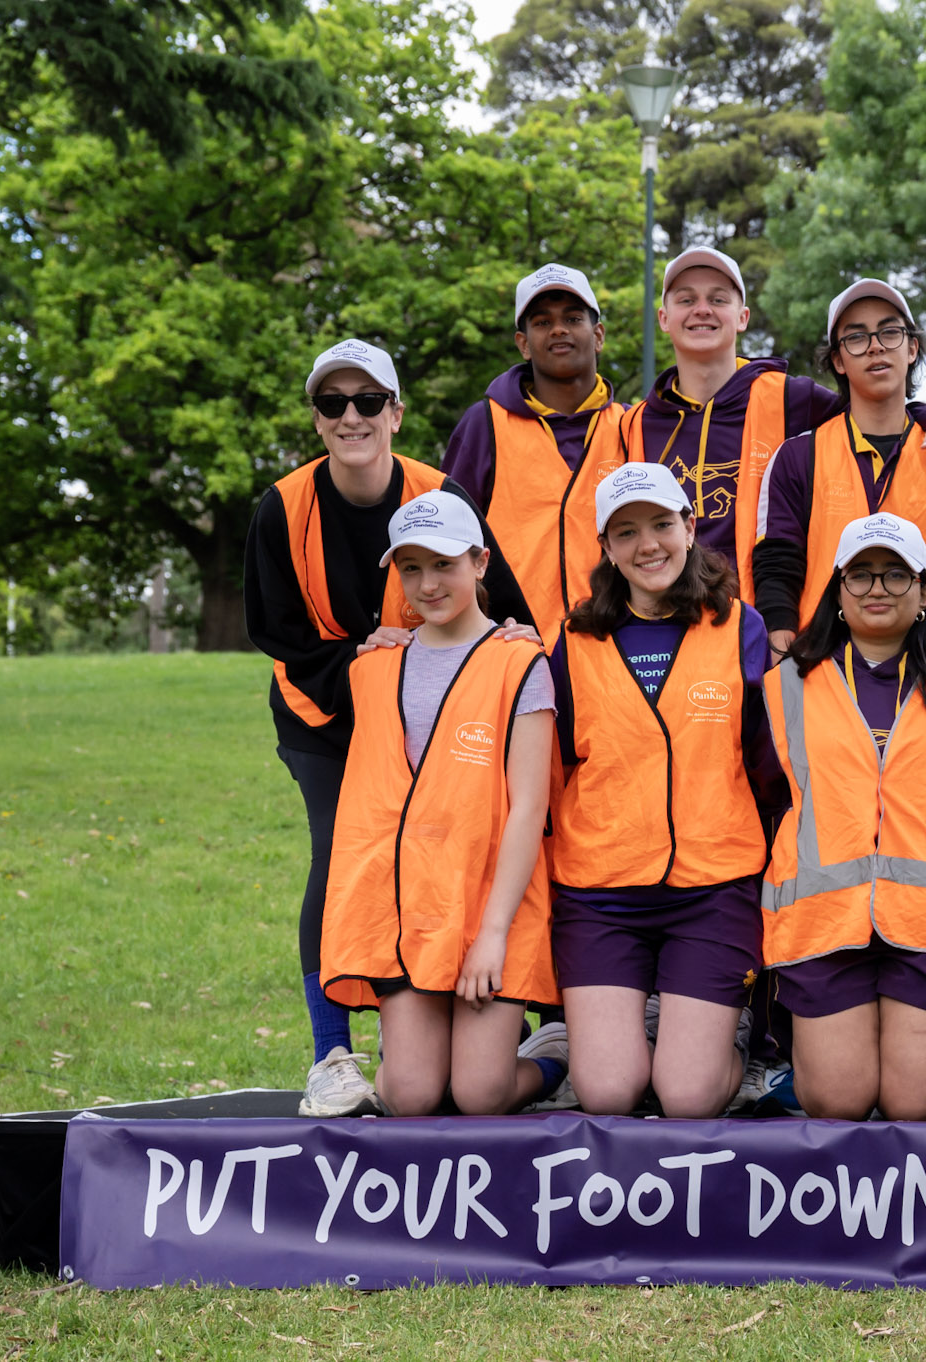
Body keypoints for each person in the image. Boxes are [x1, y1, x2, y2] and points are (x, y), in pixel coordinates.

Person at [244, 338, 537, 1117]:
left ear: (396, 414)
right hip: (327, 708)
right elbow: (276, 633)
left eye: (368, 401)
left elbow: (506, 601)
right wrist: (362, 665)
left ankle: (495, 1003)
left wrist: (512, 640)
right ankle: (330, 1052)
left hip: (434, 708)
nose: (352, 417)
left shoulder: (443, 495)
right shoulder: (282, 507)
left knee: (459, 841)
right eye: (334, 404)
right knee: (341, 853)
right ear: (316, 419)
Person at [546, 463, 785, 1118]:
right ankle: (576, 1038)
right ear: (606, 547)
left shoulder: (741, 628)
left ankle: (737, 1047)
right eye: (626, 532)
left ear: (689, 526)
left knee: (686, 1094)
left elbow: (769, 764)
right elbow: (552, 767)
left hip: (713, 887)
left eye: (660, 524)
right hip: (600, 893)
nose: (647, 544)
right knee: (609, 1090)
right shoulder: (569, 642)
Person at [316, 495, 563, 1115]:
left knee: (480, 1094)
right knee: (411, 1096)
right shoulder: (374, 666)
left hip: (488, 913)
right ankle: (412, 1048)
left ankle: (556, 1057)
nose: (428, 584)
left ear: (481, 563)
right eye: (411, 568)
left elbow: (529, 809)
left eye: (445, 564)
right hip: (411, 918)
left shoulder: (519, 662)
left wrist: (493, 938)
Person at [761, 513, 926, 1120]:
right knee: (838, 1101)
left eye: (895, 574)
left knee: (914, 1107)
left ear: (924, 592)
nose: (877, 588)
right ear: (837, 591)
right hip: (822, 922)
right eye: (859, 576)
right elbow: (764, 789)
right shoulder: (786, 685)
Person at [616, 249, 926, 603]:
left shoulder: (790, 397)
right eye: (686, 299)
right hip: (665, 618)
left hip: (753, 625)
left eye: (718, 298)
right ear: (663, 318)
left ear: (743, 316)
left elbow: (874, 407)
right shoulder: (636, 423)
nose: (702, 309)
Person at [752, 279, 926, 661]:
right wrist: (784, 673)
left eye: (890, 332)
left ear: (912, 348)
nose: (875, 345)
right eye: (856, 337)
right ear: (839, 360)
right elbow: (778, 569)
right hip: (822, 672)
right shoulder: (798, 457)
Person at [441, 263, 627, 644]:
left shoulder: (631, 426)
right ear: (523, 343)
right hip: (509, 650)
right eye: (541, 322)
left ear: (598, 335)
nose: (558, 329)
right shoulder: (485, 424)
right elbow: (447, 541)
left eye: (573, 318)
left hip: (613, 648)